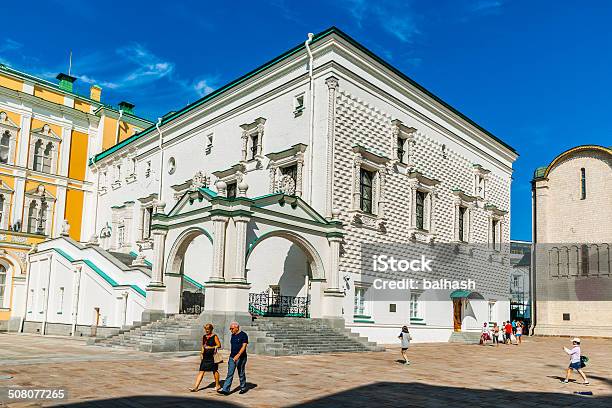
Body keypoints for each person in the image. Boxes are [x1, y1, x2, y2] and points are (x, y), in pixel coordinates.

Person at [218, 322, 249, 395]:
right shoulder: (233, 335)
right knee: (230, 373)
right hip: (232, 357)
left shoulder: (243, 335)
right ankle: (225, 390)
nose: (230, 330)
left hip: (241, 357)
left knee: (241, 373)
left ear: (237, 328)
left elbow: (244, 346)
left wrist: (238, 355)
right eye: (230, 328)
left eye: (232, 328)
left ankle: (243, 388)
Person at [190, 323, 222, 392]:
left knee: (214, 370)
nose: (207, 330)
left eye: (208, 329)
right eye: (206, 329)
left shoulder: (214, 336)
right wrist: (201, 353)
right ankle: (196, 387)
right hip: (205, 357)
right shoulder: (204, 336)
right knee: (201, 371)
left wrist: (211, 347)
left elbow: (219, 345)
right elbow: (203, 345)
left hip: (212, 356)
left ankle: (217, 385)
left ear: (211, 329)